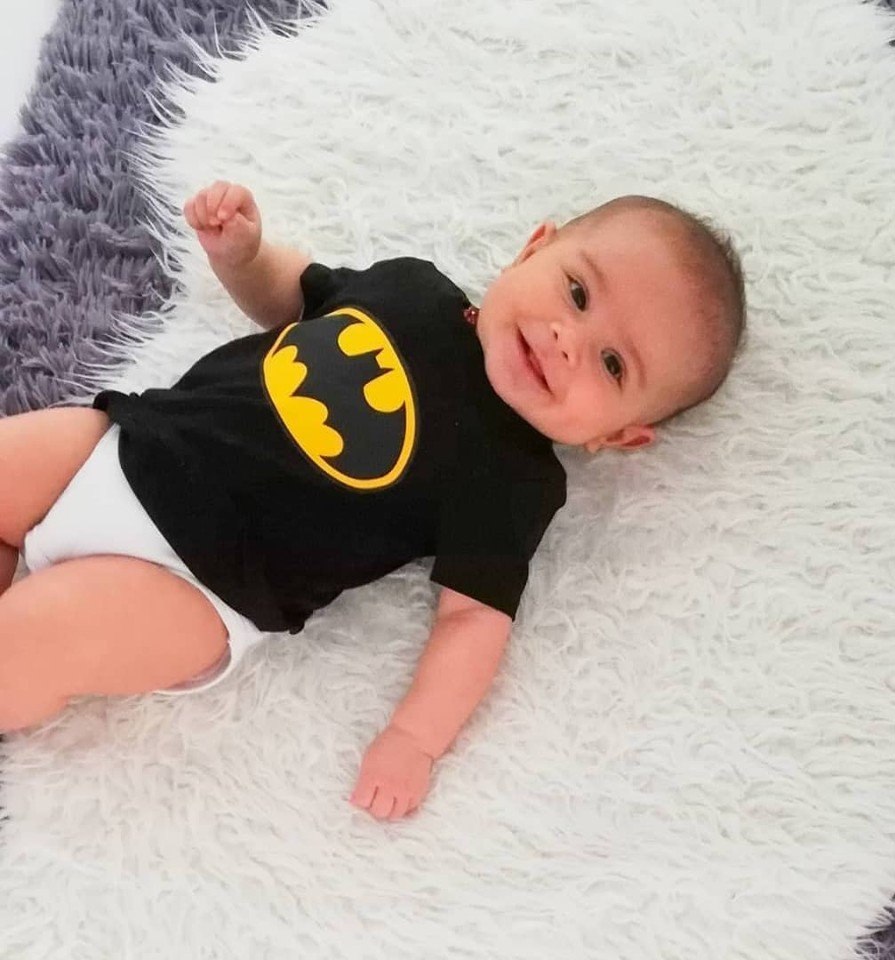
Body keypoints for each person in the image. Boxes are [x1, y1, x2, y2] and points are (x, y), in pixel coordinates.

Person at [0, 181, 745, 820]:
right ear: (533, 250)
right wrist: (244, 257)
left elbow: (472, 621)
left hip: (200, 582)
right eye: (577, 293)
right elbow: (293, 300)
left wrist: (416, 739)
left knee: (36, 639)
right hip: (126, 442)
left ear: (618, 437)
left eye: (612, 364)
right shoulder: (412, 288)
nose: (566, 339)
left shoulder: (514, 477)